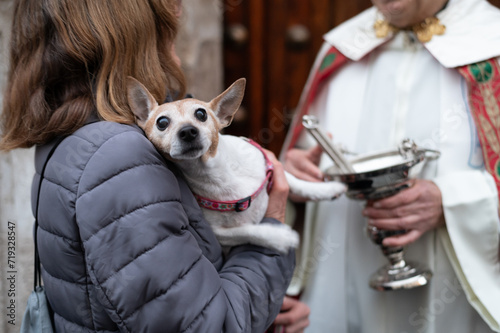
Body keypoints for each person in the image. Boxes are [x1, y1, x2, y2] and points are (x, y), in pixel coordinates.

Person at [0, 0, 295, 332]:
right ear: (137, 35)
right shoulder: (119, 157)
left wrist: (263, 301)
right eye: (168, 26)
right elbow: (210, 326)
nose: (176, 39)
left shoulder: (73, 136)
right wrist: (272, 232)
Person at [281, 0, 500, 332]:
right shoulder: (344, 45)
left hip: (453, 301)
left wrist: (452, 202)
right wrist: (294, 177)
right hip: (343, 287)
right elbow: (302, 160)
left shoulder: (490, 40)